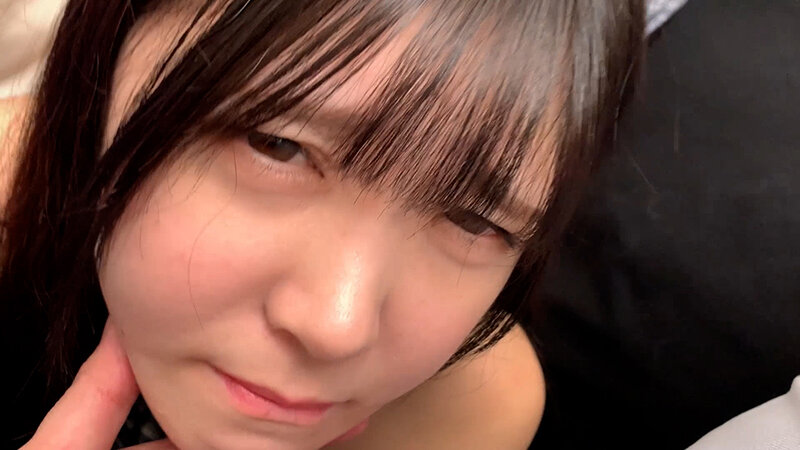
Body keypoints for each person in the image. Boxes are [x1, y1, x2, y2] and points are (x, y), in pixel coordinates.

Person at [0, 1, 645, 449]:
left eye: (473, 220)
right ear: (112, 37)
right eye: (276, 144)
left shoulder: (468, 410)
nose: (338, 327)